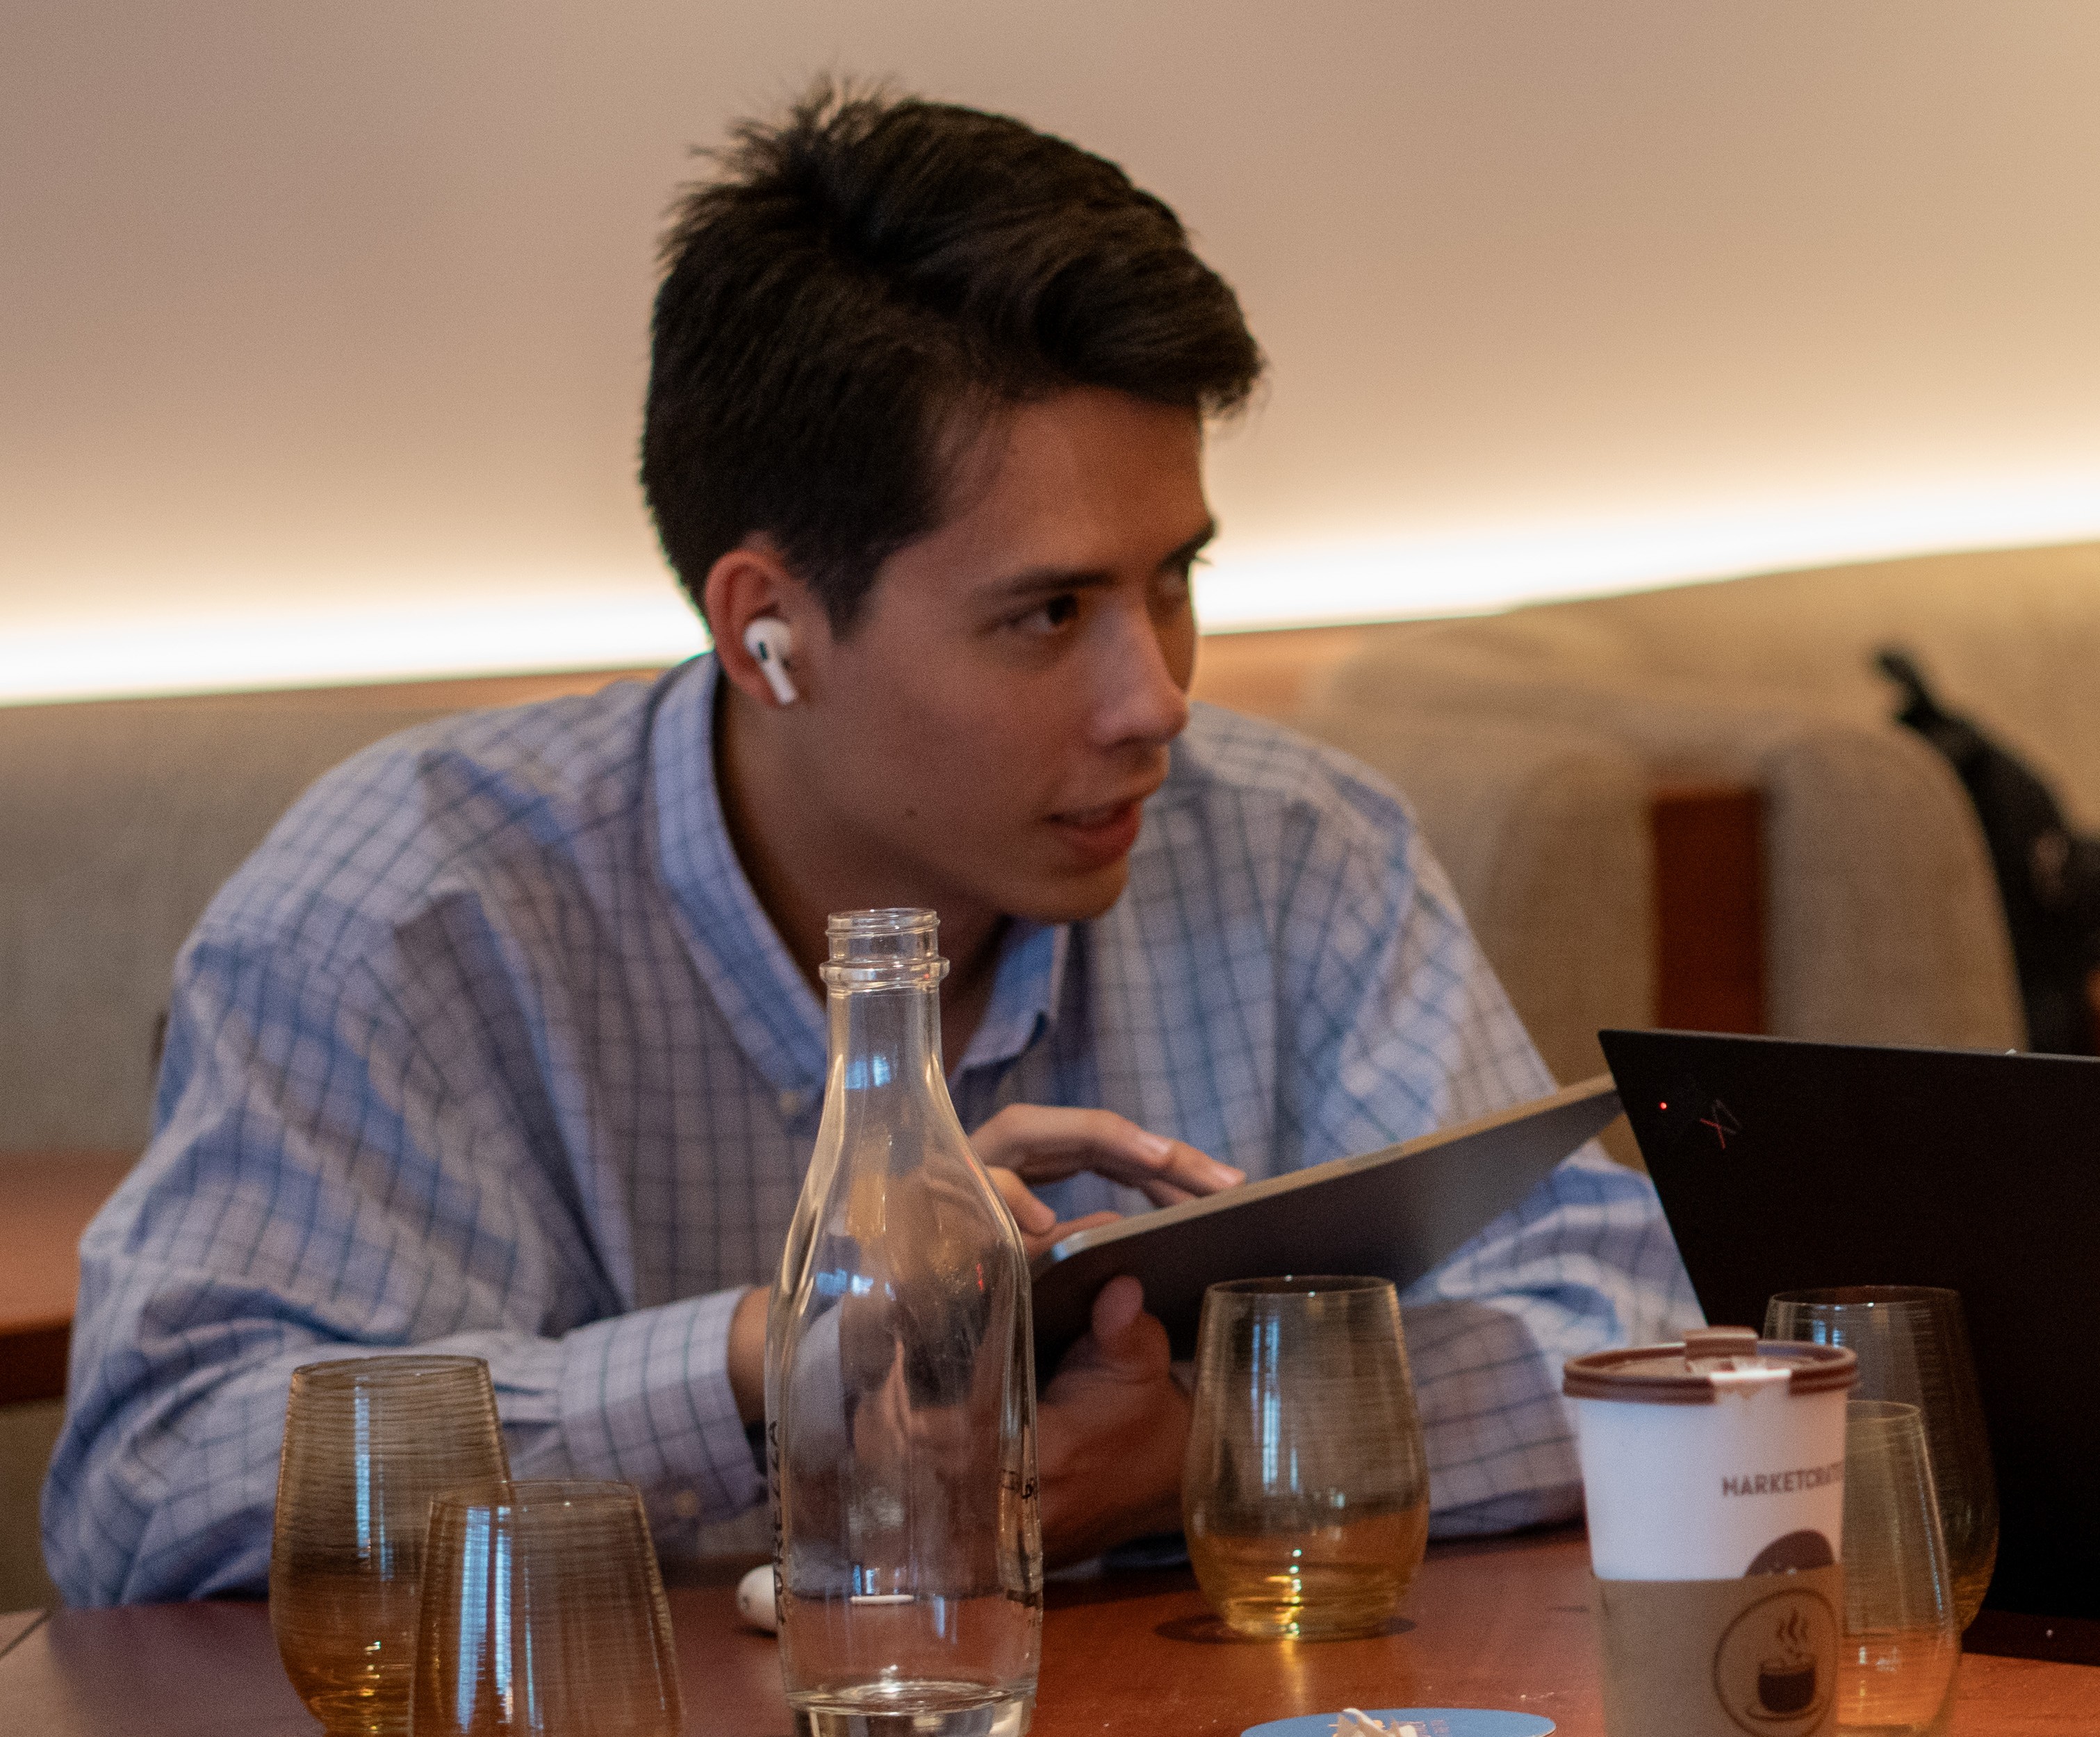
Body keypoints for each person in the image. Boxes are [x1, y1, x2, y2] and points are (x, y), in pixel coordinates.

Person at [50, 84, 1696, 1604]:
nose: (1159, 698)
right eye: (1050, 611)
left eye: (1175, 577)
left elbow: (1640, 1335)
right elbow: (154, 1488)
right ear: (771, 630)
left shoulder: (1295, 847)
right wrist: (780, 1361)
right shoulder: (410, 915)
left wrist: (1206, 1442)